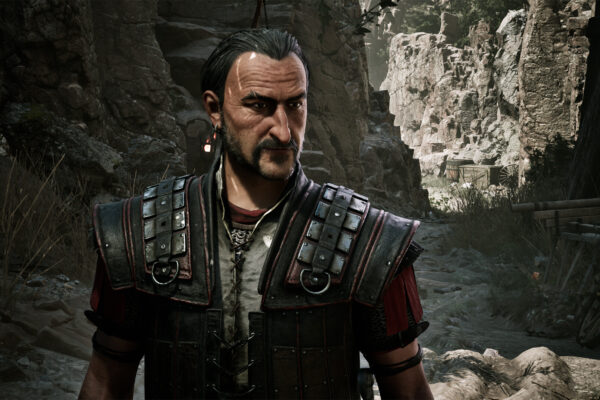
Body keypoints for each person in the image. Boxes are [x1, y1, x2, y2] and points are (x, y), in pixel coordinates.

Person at [79, 28, 433, 400]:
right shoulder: (139, 231)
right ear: (215, 109)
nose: (283, 131)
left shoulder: (368, 241)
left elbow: (409, 392)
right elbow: (104, 383)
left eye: (294, 105)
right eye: (259, 106)